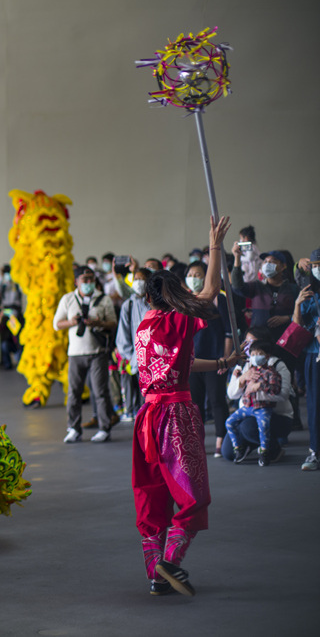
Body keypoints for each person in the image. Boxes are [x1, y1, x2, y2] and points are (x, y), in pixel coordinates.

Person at [132, 215, 240, 597]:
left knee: (152, 494)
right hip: (175, 416)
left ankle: (154, 574)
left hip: (145, 418)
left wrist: (225, 363)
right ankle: (171, 561)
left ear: (149, 298)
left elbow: (184, 362)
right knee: (194, 496)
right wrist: (214, 244)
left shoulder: (146, 324)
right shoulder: (180, 319)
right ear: (177, 294)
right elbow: (211, 289)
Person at [53, 266, 118, 442]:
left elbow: (113, 323)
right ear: (76, 281)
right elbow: (56, 324)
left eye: (91, 278)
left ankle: (104, 428)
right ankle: (73, 428)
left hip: (98, 352)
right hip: (75, 353)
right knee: (74, 392)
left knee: (100, 391)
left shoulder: (103, 299)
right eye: (85, 279)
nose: (89, 282)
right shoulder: (68, 299)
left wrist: (99, 323)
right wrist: (71, 322)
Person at [185, 262, 233, 458]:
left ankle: (221, 438)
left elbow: (229, 332)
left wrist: (226, 357)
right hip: (192, 362)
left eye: (198, 274)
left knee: (217, 400)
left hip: (215, 359)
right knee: (194, 404)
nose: (194, 278)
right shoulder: (185, 301)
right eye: (191, 274)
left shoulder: (219, 299)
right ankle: (198, 441)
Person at [224, 341, 290, 466]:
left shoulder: (273, 370)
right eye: (252, 352)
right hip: (247, 407)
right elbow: (231, 394)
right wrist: (242, 378)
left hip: (263, 408)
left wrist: (259, 386)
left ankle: (267, 451)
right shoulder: (245, 366)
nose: (254, 356)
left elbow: (278, 392)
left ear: (267, 355)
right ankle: (238, 448)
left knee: (261, 427)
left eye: (259, 353)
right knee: (229, 425)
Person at [230, 247, 298, 329]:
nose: (267, 264)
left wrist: (288, 318)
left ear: (283, 266)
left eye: (272, 261)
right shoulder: (256, 287)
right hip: (259, 337)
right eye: (265, 262)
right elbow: (237, 287)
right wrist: (237, 258)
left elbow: (305, 312)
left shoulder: (293, 289)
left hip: (285, 337)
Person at [116, 268, 152, 422]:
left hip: (156, 359)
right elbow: (123, 335)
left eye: (142, 279)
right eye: (136, 279)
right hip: (137, 359)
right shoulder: (128, 305)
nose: (138, 282)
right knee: (140, 393)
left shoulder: (155, 302)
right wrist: (132, 356)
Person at [292, 278, 320, 471]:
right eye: (315, 265)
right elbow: (297, 328)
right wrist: (297, 304)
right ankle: (315, 451)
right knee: (315, 404)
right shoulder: (309, 294)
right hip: (314, 354)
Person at [0, 265, 23, 370]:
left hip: (16, 311)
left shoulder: (16, 283)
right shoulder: (3, 284)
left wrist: (16, 275)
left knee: (18, 336)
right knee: (4, 337)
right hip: (5, 311)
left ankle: (20, 360)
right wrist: (2, 276)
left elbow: (22, 289)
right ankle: (6, 362)